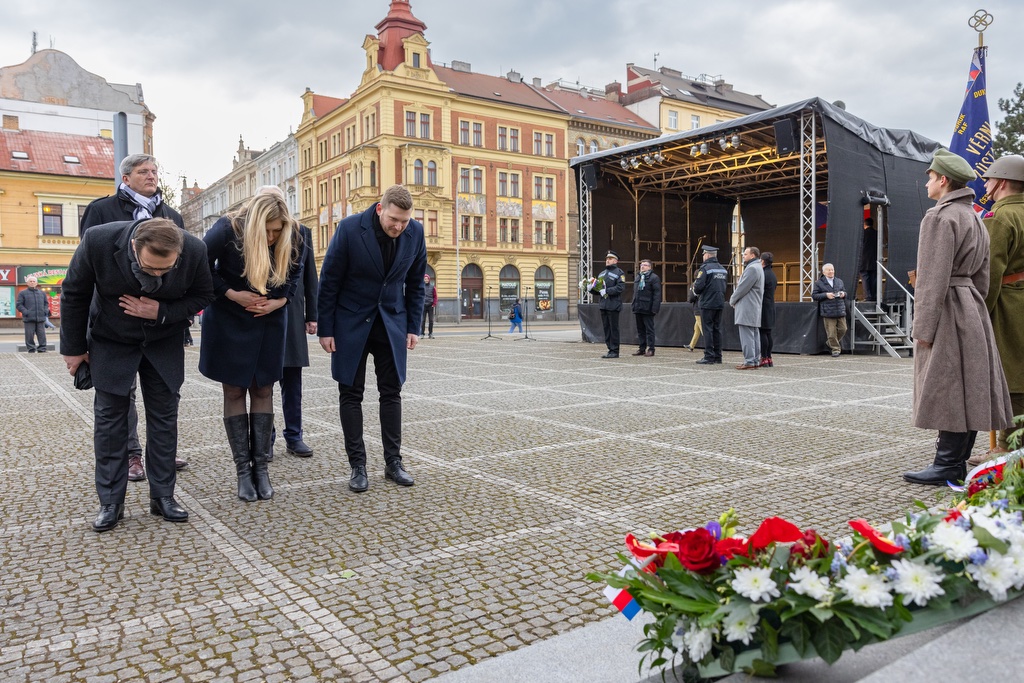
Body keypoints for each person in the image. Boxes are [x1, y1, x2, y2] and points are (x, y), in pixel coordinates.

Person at [59, 218, 214, 532]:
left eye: (165, 269)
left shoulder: (194, 248)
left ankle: (163, 497)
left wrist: (161, 312)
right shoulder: (98, 240)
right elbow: (74, 293)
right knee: (110, 423)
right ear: (133, 247)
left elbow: (203, 294)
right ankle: (111, 503)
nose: (157, 275)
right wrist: (73, 348)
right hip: (111, 339)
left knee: (164, 419)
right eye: (150, 268)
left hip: (163, 341)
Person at [904, 149, 1013, 485]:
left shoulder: (939, 218)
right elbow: (983, 276)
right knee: (969, 385)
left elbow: (931, 278)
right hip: (971, 305)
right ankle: (956, 460)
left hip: (948, 305)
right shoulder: (976, 217)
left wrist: (922, 327)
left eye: (930, 177)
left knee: (948, 385)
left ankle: (947, 464)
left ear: (943, 179)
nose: (927, 183)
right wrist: (973, 303)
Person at [81, 153, 188, 480]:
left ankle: (161, 456)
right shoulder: (101, 210)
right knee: (120, 393)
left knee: (164, 394)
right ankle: (131, 455)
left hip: (160, 323)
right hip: (116, 321)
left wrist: (171, 316)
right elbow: (87, 266)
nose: (151, 176)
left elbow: (182, 273)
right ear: (126, 178)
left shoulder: (170, 216)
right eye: (143, 171)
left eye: (154, 171)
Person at [318, 185, 427, 493]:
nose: (399, 226)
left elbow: (417, 282)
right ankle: (358, 466)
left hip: (392, 322)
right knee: (351, 394)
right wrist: (326, 328)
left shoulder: (415, 233)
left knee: (391, 393)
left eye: (404, 221)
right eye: (394, 219)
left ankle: (394, 463)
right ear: (381, 209)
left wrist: (413, 326)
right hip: (350, 323)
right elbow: (330, 280)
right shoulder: (351, 228)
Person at [199, 192, 302, 502]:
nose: (272, 237)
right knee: (233, 392)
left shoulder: (293, 232)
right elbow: (201, 266)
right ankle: (243, 471)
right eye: (267, 230)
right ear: (254, 223)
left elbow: (295, 271)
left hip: (270, 320)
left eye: (277, 231)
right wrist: (231, 293)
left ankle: (261, 469)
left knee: (263, 390)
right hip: (229, 318)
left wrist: (280, 301)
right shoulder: (227, 229)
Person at [253, 186, 320, 460]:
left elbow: (310, 276)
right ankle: (265, 439)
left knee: (293, 380)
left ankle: (294, 436)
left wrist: (312, 315)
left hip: (291, 312)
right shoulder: (250, 231)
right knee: (263, 381)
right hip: (259, 312)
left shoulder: (302, 232)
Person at [967, 154, 1024, 465]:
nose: (985, 184)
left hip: (1010, 304)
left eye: (988, 179)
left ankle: (1007, 446)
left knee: (1011, 376)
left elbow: (990, 274)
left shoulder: (1000, 218)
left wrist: (979, 314)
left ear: (1001, 182)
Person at [729, 246, 764, 369]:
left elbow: (742, 288)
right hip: (754, 306)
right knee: (754, 334)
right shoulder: (758, 267)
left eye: (745, 254)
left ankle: (749, 361)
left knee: (747, 335)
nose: (743, 256)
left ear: (752, 255)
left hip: (747, 306)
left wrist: (732, 300)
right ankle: (755, 359)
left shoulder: (752, 269)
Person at [587, 250, 626, 358]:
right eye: (607, 259)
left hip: (613, 305)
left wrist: (607, 291)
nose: (607, 260)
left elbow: (620, 288)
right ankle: (610, 349)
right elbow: (599, 290)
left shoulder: (619, 273)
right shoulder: (602, 274)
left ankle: (615, 350)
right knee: (607, 329)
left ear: (615, 260)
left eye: (610, 259)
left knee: (613, 329)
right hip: (604, 304)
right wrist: (590, 289)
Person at [693, 245, 728, 365]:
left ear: (707, 255)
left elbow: (698, 287)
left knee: (707, 329)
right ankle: (718, 356)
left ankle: (708, 356)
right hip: (719, 302)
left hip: (707, 303)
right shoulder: (722, 269)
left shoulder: (705, 269)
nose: (703, 256)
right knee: (717, 329)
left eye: (703, 254)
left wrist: (696, 291)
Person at [811, 263, 848, 357]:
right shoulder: (819, 283)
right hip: (828, 311)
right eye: (829, 270)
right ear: (824, 272)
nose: (831, 271)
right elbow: (814, 295)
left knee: (843, 329)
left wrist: (843, 294)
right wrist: (826, 295)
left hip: (840, 309)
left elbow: (845, 291)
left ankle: (830, 343)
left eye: (832, 269)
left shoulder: (839, 281)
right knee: (831, 332)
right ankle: (835, 349)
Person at [631, 259, 662, 356]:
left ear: (649, 267)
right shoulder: (638, 277)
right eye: (641, 265)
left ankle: (651, 349)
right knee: (640, 329)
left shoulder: (654, 278)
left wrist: (655, 308)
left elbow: (657, 294)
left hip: (648, 307)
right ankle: (642, 348)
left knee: (649, 329)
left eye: (644, 265)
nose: (642, 267)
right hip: (638, 306)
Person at [17, 275, 50, 352]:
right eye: (30, 281)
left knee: (42, 335)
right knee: (29, 335)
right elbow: (19, 305)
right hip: (28, 318)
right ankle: (31, 349)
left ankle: (42, 348)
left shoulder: (42, 293)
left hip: (41, 317)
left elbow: (46, 303)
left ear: (36, 283)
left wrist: (45, 311)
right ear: (27, 283)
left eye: (33, 281)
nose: (32, 283)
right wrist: (26, 312)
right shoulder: (22, 293)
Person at [759, 252, 778, 367]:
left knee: (762, 332)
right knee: (768, 333)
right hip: (771, 305)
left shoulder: (763, 274)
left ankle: (764, 357)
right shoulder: (773, 274)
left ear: (762, 261)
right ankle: (769, 358)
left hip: (763, 306)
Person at [860, 217, 878, 302]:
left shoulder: (862, 234)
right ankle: (874, 296)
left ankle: (868, 296)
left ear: (864, 224)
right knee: (873, 279)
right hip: (874, 259)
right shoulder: (877, 233)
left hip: (864, 260)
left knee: (865, 278)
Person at [421, 274, 437, 338]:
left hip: (430, 306)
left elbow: (435, 296)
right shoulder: (421, 287)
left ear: (429, 279)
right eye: (425, 279)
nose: (426, 280)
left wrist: (434, 304)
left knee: (431, 320)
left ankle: (430, 333)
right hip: (423, 305)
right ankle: (422, 333)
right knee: (423, 320)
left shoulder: (432, 287)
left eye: (427, 279)